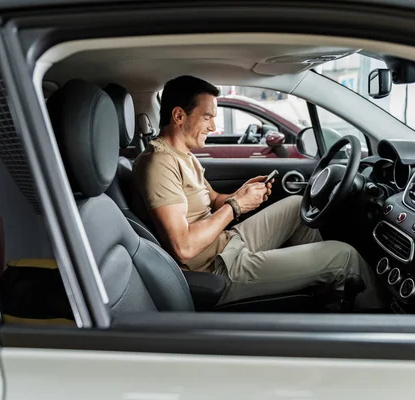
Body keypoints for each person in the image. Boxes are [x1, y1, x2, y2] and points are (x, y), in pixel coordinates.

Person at [133, 75, 383, 309]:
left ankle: (319, 289)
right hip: (216, 269)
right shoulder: (159, 164)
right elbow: (184, 248)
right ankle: (381, 333)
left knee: (297, 206)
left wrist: (241, 194)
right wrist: (236, 206)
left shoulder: (184, 155)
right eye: (207, 117)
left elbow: (214, 200)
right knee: (344, 256)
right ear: (178, 116)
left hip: (225, 243)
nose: (213, 126)